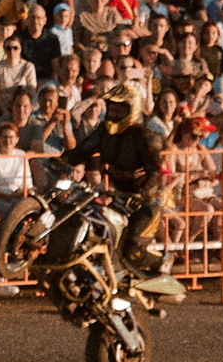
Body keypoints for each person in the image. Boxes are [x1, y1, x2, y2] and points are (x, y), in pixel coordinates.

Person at [55, 82, 166, 273]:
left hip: (147, 202)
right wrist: (63, 160)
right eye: (111, 108)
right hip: (118, 195)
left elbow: (156, 172)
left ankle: (163, 261)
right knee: (101, 233)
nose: (113, 113)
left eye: (119, 109)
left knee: (132, 250)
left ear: (131, 109)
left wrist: (143, 193)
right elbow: (83, 149)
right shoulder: (104, 131)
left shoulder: (145, 136)